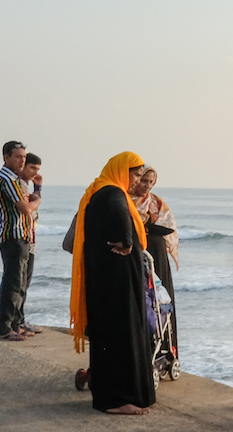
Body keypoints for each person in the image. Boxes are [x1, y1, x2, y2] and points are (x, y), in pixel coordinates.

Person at [69, 152, 155, 415]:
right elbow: (122, 228)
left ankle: (112, 396)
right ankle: (118, 400)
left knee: (113, 335)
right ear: (121, 170)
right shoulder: (113, 194)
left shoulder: (100, 190)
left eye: (141, 176)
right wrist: (128, 241)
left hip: (107, 278)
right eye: (135, 174)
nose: (136, 181)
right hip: (116, 281)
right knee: (122, 334)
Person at [0, 141, 41, 341]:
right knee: (13, 282)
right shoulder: (8, 180)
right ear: (6, 157)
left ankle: (14, 324)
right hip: (13, 235)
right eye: (18, 157)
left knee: (19, 282)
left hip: (21, 235)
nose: (22, 160)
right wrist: (38, 198)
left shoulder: (13, 179)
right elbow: (26, 208)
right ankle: (4, 327)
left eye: (23, 156)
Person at [130, 167, 180, 356]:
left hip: (156, 256)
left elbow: (170, 227)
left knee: (161, 300)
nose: (147, 186)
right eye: (144, 180)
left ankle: (167, 349)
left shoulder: (157, 203)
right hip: (136, 255)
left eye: (151, 182)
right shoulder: (125, 200)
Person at [16, 152, 44, 334]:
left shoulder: (26, 186)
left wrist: (38, 187)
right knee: (18, 283)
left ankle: (20, 320)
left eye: (37, 169)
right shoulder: (17, 185)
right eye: (32, 168)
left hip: (30, 238)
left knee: (24, 283)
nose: (35, 172)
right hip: (21, 237)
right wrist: (38, 197)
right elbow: (29, 208)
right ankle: (16, 322)